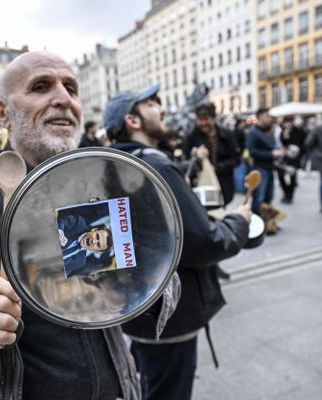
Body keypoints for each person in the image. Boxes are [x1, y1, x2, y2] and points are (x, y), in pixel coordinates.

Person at [0, 51, 179, 400]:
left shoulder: (106, 183)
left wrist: (140, 283)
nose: (63, 99)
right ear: (2, 113)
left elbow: (163, 280)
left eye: (71, 88)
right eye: (41, 87)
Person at [104, 83, 251, 400]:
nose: (163, 107)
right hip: (170, 318)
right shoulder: (154, 165)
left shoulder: (111, 164)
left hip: (136, 314)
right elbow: (204, 243)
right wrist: (239, 220)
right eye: (153, 103)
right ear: (133, 120)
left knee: (150, 387)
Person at [183, 103, 240, 205]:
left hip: (224, 183)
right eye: (201, 119)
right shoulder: (191, 137)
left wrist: (217, 168)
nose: (204, 123)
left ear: (213, 118)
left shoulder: (227, 134)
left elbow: (236, 159)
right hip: (202, 185)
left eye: (206, 119)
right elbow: (186, 161)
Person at [247, 108, 283, 214]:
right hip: (260, 168)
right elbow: (252, 152)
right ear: (261, 117)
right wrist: (271, 154)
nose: (269, 118)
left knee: (268, 196)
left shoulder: (267, 131)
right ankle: (256, 223)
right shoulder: (253, 132)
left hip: (269, 167)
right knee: (259, 197)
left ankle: (266, 222)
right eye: (267, 116)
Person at [276, 116, 306, 204]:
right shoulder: (283, 131)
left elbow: (304, 143)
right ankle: (286, 192)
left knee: (292, 177)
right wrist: (285, 135)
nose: (288, 124)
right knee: (281, 175)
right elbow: (282, 143)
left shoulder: (299, 131)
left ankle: (290, 196)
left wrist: (299, 152)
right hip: (285, 157)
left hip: (295, 158)